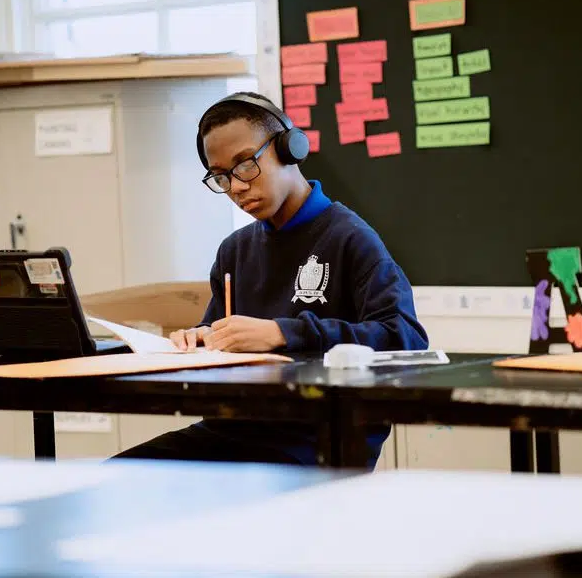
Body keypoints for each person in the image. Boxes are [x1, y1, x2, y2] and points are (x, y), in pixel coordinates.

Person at [113, 92, 428, 469]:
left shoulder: (350, 238)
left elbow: (405, 340)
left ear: (288, 148)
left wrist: (283, 333)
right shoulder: (235, 250)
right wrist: (199, 338)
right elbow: (220, 333)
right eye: (221, 176)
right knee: (114, 480)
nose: (236, 186)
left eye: (245, 165)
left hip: (318, 439)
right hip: (235, 431)